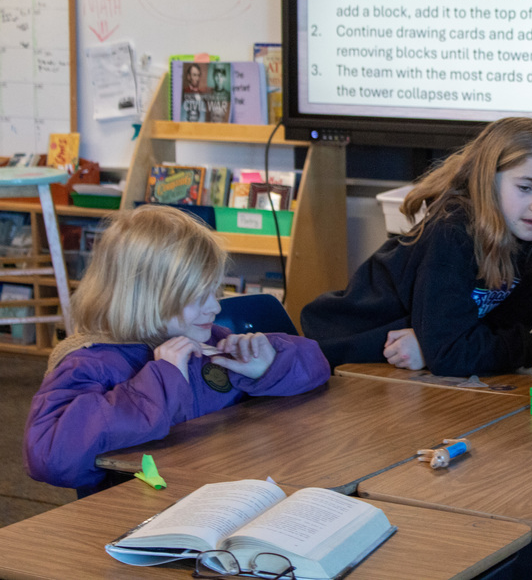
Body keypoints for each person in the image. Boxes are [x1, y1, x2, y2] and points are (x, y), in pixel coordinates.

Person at [23, 205, 330, 494]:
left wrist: (270, 366)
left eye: (215, 291)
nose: (214, 307)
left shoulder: (207, 339)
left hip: (218, 495)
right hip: (139, 519)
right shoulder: (89, 363)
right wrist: (159, 382)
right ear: (144, 297)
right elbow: (49, 457)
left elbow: (315, 365)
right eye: (197, 297)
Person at [301, 117, 532, 377]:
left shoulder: (531, 240)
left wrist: (435, 346)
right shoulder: (453, 231)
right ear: (487, 181)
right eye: (526, 188)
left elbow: (498, 332)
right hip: (339, 356)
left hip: (396, 366)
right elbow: (452, 354)